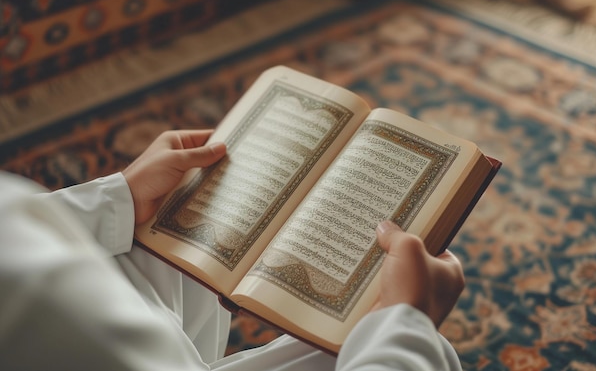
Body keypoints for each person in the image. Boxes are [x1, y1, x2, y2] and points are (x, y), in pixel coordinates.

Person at [0, 129, 465, 371]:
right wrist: (407, 320)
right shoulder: (27, 301)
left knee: (188, 228)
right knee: (381, 347)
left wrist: (120, 196)